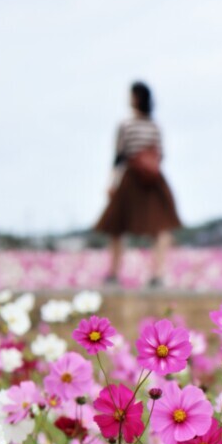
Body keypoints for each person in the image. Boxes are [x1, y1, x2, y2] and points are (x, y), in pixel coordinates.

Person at [94, 81, 182, 288]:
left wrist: (112, 181)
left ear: (136, 98)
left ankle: (114, 273)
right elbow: (161, 154)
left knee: (116, 226)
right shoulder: (154, 126)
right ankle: (157, 274)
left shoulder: (126, 125)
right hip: (153, 180)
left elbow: (118, 156)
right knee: (161, 227)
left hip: (132, 179)